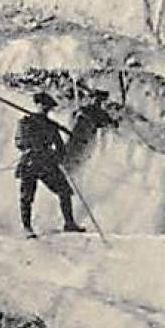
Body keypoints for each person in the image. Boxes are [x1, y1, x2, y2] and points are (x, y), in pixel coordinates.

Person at [15, 92, 83, 238]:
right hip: (30, 162)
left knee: (65, 191)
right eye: (43, 106)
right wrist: (34, 145)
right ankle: (27, 228)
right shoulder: (26, 122)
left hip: (46, 163)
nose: (45, 109)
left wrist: (57, 157)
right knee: (27, 196)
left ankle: (69, 223)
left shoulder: (51, 126)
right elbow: (19, 143)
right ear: (38, 105)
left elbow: (60, 147)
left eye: (47, 108)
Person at [67, 89, 117, 165]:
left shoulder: (87, 109)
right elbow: (111, 123)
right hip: (83, 135)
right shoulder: (96, 112)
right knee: (77, 154)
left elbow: (73, 116)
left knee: (74, 152)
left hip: (80, 134)